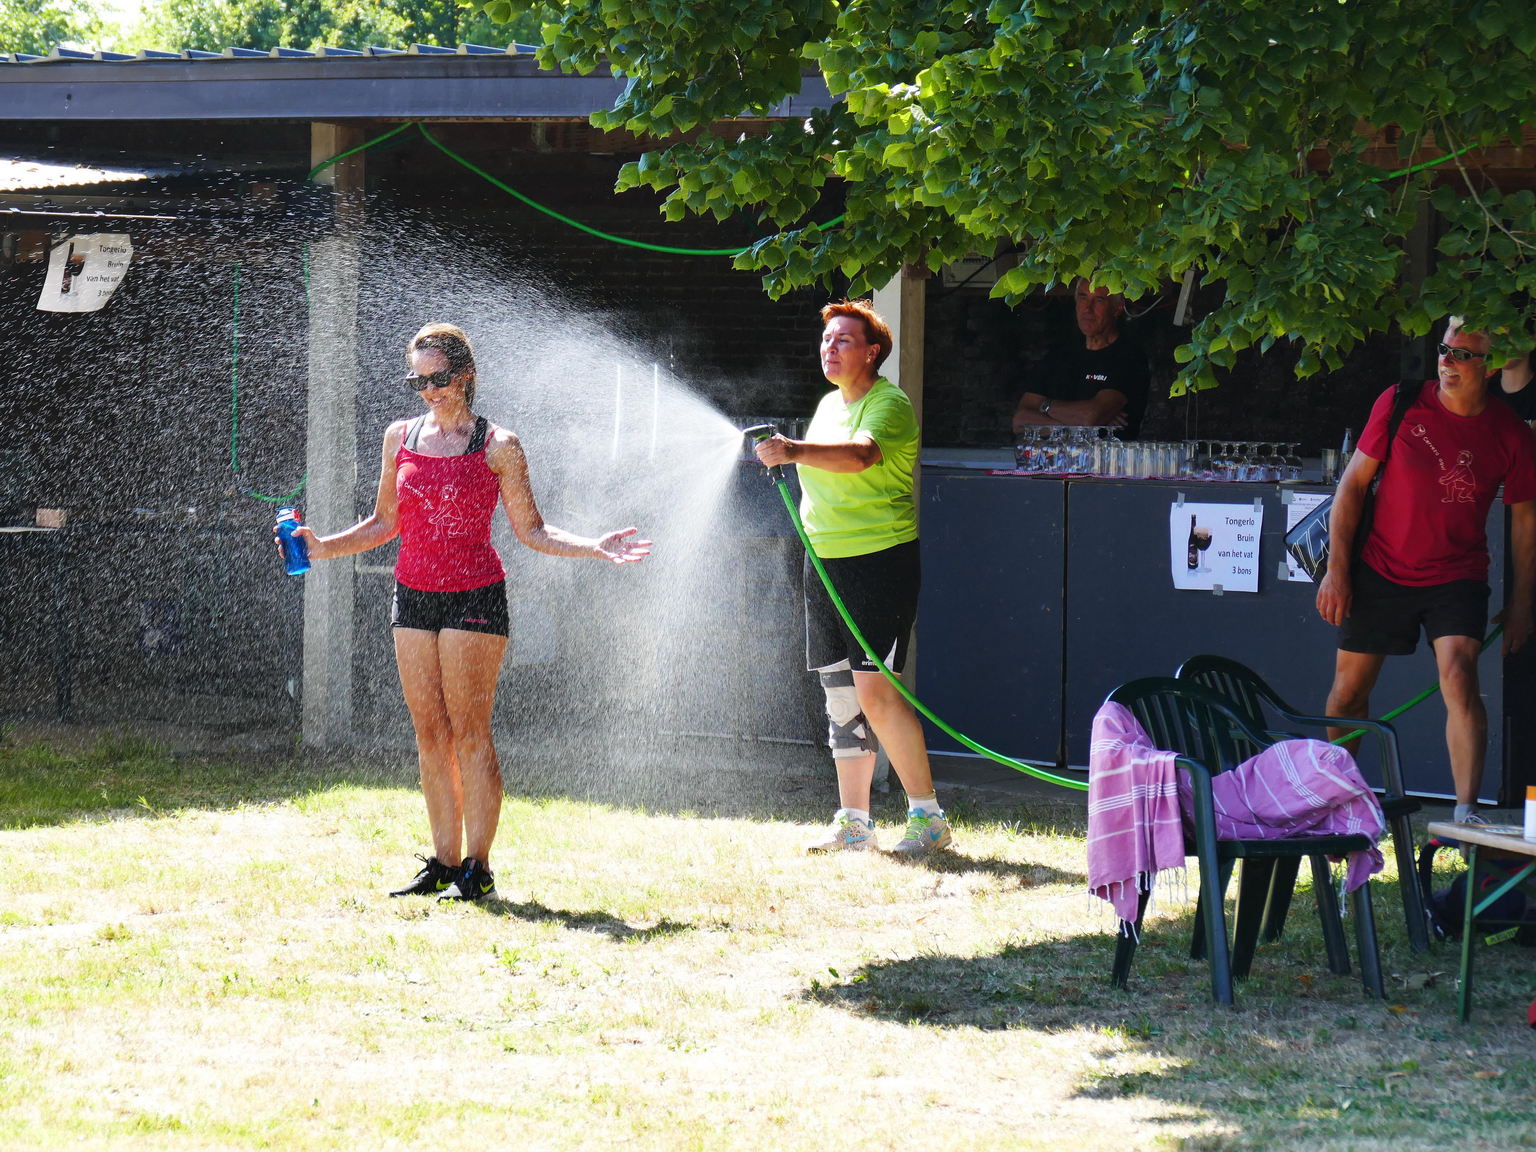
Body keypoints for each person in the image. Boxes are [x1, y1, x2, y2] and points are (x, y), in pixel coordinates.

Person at [288, 323, 650, 901]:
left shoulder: (498, 444)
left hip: (474, 596)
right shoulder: (400, 436)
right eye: (418, 381)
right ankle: (443, 861)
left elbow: (532, 530)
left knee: (470, 734)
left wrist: (594, 546)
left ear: (466, 376)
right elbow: (384, 523)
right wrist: (321, 547)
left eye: (439, 379)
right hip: (413, 595)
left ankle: (477, 869)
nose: (429, 390)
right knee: (430, 734)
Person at [1317, 319, 1536, 823]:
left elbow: (1526, 523)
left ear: (1491, 367)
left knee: (1459, 676)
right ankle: (1333, 804)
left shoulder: (1511, 433)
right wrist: (1337, 571)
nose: (1447, 362)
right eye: (1443, 349)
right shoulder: (1400, 401)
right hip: (1380, 567)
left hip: (1457, 575)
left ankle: (1465, 812)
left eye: (1462, 355)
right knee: (1348, 692)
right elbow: (1351, 487)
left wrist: (1523, 604)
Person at [754, 300, 951, 860]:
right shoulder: (826, 405)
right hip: (823, 561)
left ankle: (928, 819)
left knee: (877, 694)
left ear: (872, 352)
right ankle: (855, 824)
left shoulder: (889, 404)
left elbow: (861, 456)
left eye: (843, 340)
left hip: (878, 562)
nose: (830, 347)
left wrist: (793, 451)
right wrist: (793, 453)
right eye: (826, 339)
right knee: (840, 694)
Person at [1011, 278, 1152, 438]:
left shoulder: (1128, 358)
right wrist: (1075, 424)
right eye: (1083, 297)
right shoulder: (1059, 354)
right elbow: (1019, 421)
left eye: (1099, 300)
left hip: (1105, 454)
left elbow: (1089, 418)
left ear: (1117, 308)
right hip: (1057, 454)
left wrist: (1043, 407)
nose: (1087, 308)